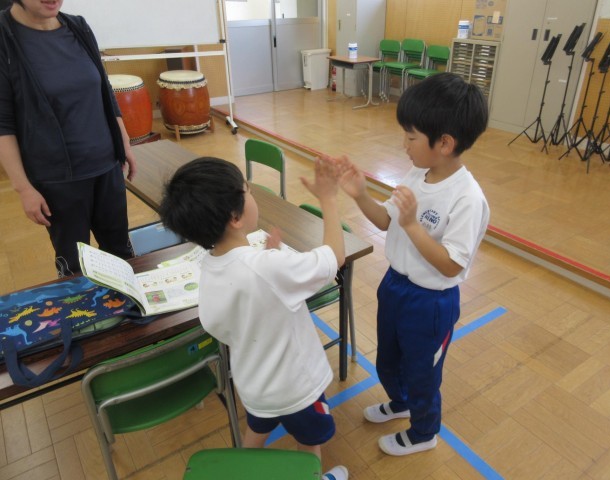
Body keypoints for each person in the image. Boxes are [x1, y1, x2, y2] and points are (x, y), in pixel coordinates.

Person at [158, 156, 349, 480]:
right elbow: (335, 257)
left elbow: (219, 321)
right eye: (247, 190)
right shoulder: (266, 268)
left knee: (257, 431)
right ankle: (317, 476)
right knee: (310, 443)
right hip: (297, 390)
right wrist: (328, 198)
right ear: (235, 217)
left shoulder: (210, 266)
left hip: (254, 387)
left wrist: (269, 258)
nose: (252, 194)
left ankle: (244, 471)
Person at [335, 72, 490, 456]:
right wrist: (360, 195)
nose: (404, 145)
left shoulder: (467, 198)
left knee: (423, 373)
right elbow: (385, 220)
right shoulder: (417, 173)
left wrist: (412, 226)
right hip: (396, 286)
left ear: (445, 143)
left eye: (411, 137)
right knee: (388, 360)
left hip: (431, 303)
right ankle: (400, 402)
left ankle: (424, 432)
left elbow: (451, 266)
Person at [0, 0, 136, 277]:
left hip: (106, 165)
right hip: (57, 179)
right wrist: (23, 188)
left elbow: (104, 89)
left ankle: (128, 305)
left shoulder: (78, 26)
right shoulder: (4, 38)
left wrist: (124, 144)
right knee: (75, 267)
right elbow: (3, 124)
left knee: (121, 254)